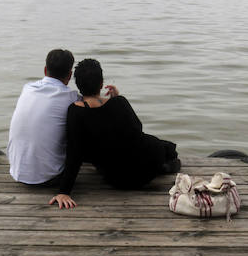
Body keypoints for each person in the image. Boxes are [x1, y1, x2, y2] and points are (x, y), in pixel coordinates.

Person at [50, 58, 179, 209]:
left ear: (78, 85)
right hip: (146, 170)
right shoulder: (120, 102)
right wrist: (116, 99)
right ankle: (166, 164)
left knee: (152, 145)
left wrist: (64, 191)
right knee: (163, 146)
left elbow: (74, 152)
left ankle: (164, 163)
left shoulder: (75, 111)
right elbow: (137, 129)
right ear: (101, 82)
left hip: (116, 178)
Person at [7, 49, 79, 186]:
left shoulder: (27, 88)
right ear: (70, 75)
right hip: (49, 178)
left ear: (45, 70)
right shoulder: (71, 98)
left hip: (16, 172)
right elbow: (93, 105)